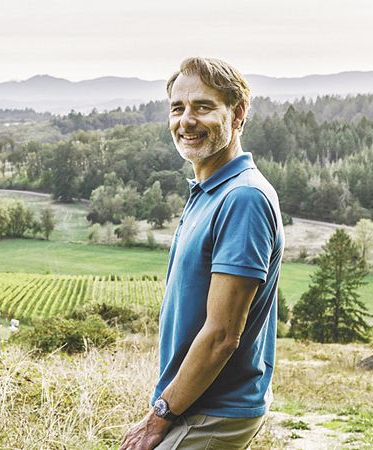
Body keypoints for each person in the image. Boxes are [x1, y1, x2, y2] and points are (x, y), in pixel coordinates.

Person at [120, 57, 284, 450]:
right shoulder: (209, 190)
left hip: (214, 411)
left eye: (203, 107)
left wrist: (159, 415)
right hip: (195, 404)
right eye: (178, 108)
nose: (186, 120)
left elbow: (222, 335)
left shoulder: (242, 197)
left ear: (238, 113)